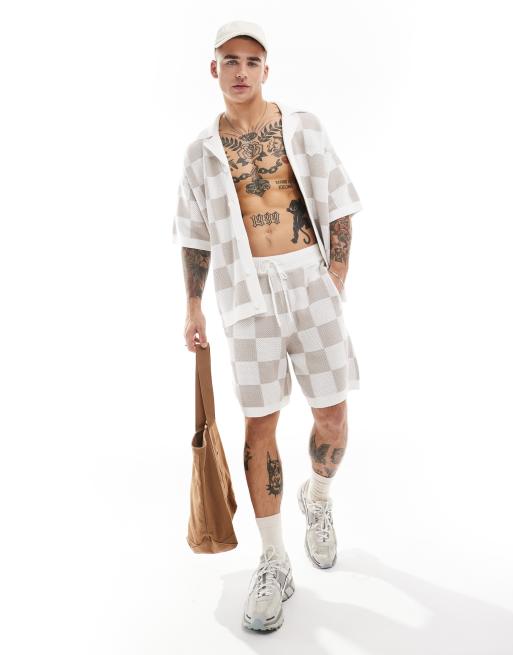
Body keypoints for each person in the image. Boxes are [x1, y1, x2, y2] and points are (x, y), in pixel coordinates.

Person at [172, 20, 363, 633]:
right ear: (214, 69)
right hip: (246, 295)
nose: (241, 71)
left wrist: (334, 277)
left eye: (252, 61)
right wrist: (193, 304)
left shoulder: (301, 127)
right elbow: (195, 236)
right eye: (230, 60)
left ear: (266, 70)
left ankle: (318, 497)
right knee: (260, 423)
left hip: (310, 281)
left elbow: (339, 203)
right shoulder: (201, 152)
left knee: (332, 416)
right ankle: (275, 559)